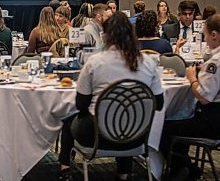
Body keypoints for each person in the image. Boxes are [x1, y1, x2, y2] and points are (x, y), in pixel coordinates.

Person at [57, 12, 164, 181]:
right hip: (136, 137)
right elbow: (158, 104)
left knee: (69, 118)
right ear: (132, 34)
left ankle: (64, 168)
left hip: (97, 137)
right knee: (126, 115)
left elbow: (81, 104)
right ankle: (123, 174)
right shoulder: (148, 63)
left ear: (105, 36)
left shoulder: (94, 62)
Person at [160, 14, 220, 180]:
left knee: (163, 128)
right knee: (181, 123)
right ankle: (187, 169)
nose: (205, 40)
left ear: (214, 35)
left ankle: (183, 168)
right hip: (215, 120)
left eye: (206, 35)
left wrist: (192, 77)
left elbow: (203, 97)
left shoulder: (215, 62)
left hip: (211, 122)